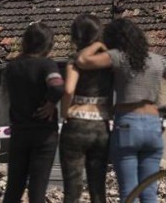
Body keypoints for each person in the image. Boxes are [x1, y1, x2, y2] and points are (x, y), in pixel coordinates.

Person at [75, 18, 166, 203]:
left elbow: (82, 60)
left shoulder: (118, 56)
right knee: (149, 191)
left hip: (127, 124)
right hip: (154, 125)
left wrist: (98, 42)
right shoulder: (157, 61)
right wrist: (165, 109)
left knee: (129, 192)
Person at [2, 22, 65, 203]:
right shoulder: (46, 65)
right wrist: (51, 103)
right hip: (43, 135)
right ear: (49, 44)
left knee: (14, 188)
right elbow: (58, 87)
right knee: (37, 189)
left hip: (19, 133)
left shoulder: (12, 67)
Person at [60, 14, 112, 203]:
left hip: (76, 125)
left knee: (72, 190)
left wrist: (64, 112)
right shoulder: (108, 61)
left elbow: (68, 89)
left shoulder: (75, 59)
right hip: (101, 125)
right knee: (98, 189)